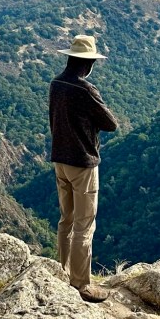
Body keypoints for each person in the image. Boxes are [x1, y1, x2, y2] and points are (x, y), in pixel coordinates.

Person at [50, 34, 119, 302]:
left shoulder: (55, 84)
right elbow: (111, 123)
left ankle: (62, 271)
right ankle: (81, 285)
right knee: (84, 225)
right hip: (82, 163)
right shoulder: (85, 90)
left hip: (60, 159)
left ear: (69, 58)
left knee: (65, 220)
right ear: (88, 64)